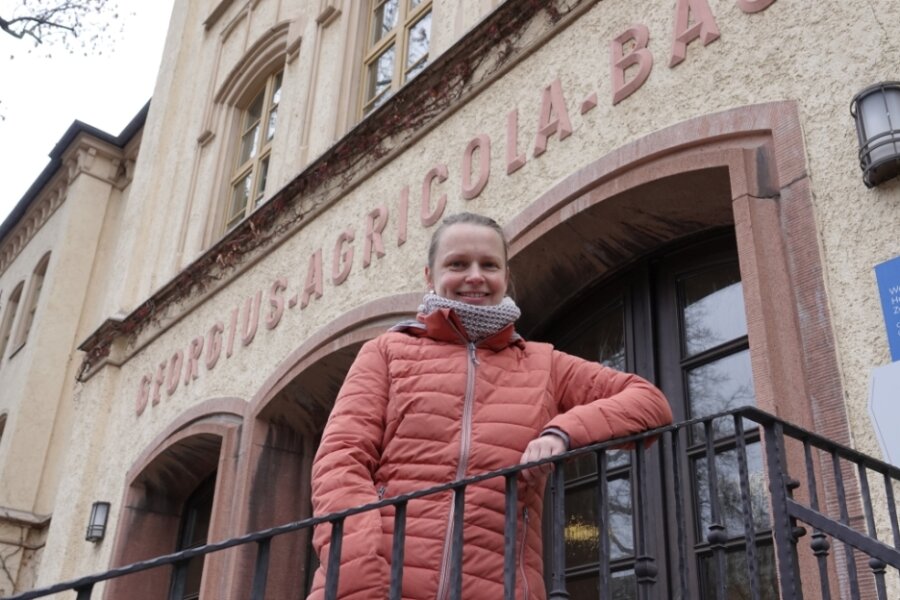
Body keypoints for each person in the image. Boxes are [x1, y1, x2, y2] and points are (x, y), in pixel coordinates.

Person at [307, 212, 672, 600]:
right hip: (380, 587)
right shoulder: (387, 352)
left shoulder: (543, 363)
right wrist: (361, 585)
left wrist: (562, 433)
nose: (475, 276)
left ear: (506, 277)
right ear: (430, 276)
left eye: (489, 265)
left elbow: (648, 402)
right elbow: (340, 464)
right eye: (458, 264)